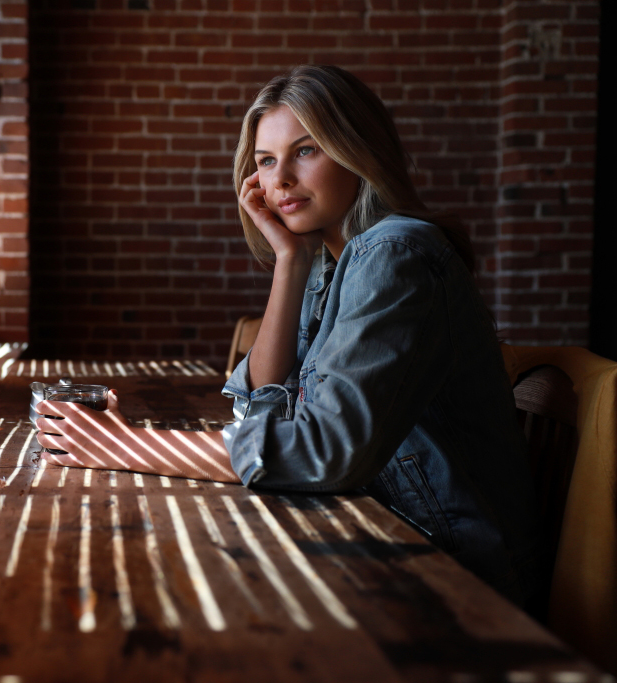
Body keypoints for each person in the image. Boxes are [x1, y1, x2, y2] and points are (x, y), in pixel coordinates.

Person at [35, 65, 543, 606]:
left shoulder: (395, 253)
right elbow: (257, 416)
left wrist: (132, 445)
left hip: (456, 580)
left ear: (356, 151)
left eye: (305, 151)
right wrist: (289, 261)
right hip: (381, 541)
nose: (279, 181)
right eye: (265, 161)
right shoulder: (330, 264)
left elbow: (324, 450)